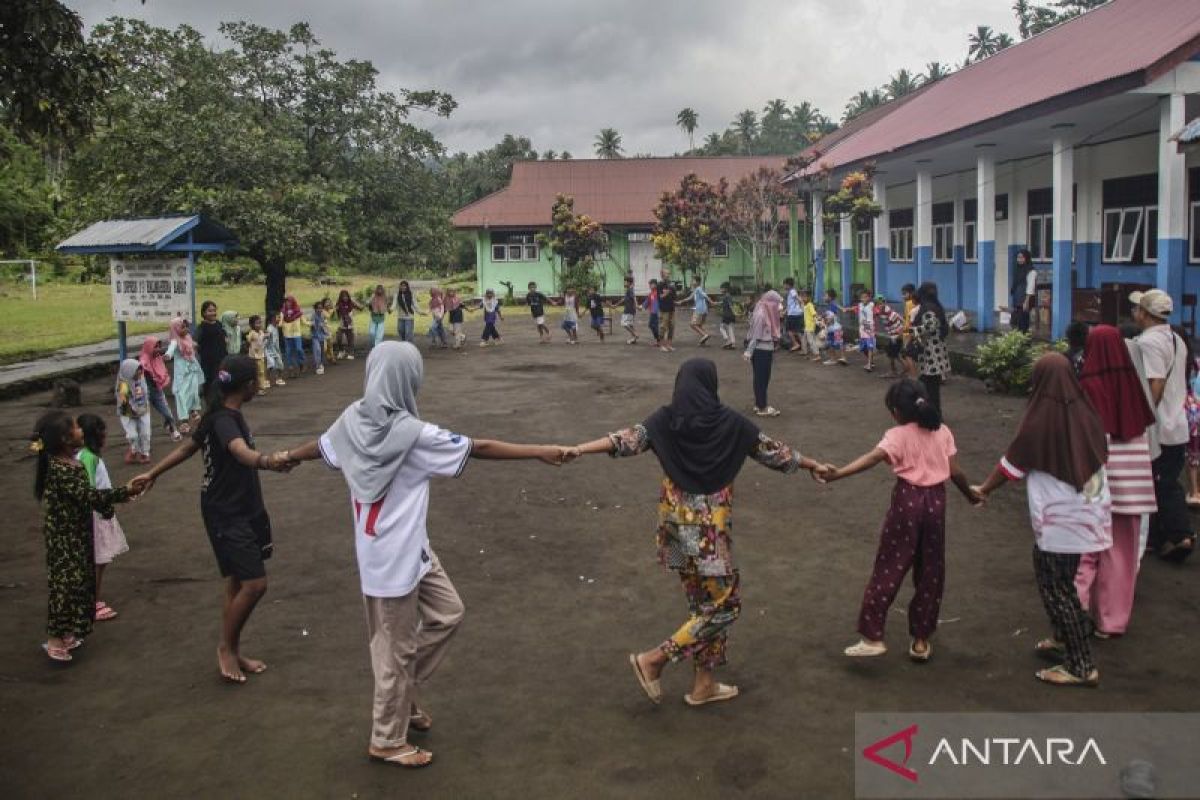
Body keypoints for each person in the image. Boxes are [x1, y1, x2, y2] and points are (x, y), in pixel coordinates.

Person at [269, 342, 574, 768]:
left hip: (410, 549)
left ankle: (403, 693)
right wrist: (540, 450)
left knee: (448, 612)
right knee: (393, 650)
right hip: (390, 563)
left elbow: (321, 446)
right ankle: (386, 739)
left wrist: (285, 457)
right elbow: (480, 447)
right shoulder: (415, 436)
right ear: (409, 380)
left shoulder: (353, 420)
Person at [572, 359, 827, 707]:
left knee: (703, 607)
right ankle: (654, 660)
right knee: (725, 607)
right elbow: (775, 453)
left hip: (674, 536)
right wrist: (813, 465)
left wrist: (578, 449)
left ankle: (704, 685)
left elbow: (625, 440)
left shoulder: (665, 420)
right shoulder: (731, 423)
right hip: (708, 537)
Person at [134, 356, 291, 684]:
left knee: (237, 580)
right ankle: (225, 648)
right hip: (227, 511)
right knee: (255, 584)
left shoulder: (219, 414)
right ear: (248, 386)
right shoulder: (224, 420)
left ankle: (233, 647)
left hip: (242, 505)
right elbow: (238, 451)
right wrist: (266, 461)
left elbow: (186, 449)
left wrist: (153, 473)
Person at [973, 353, 1110, 687]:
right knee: (1063, 578)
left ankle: (1081, 664)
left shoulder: (1041, 418)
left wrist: (984, 489)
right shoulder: (1086, 410)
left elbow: (1012, 464)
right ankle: (1064, 636)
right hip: (1088, 514)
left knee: (1057, 589)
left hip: (1059, 520)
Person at [822, 380, 980, 661]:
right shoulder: (942, 430)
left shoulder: (897, 435)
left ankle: (872, 636)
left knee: (890, 565)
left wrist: (838, 474)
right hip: (936, 503)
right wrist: (971, 495)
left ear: (896, 412)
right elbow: (955, 472)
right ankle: (920, 640)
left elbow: (872, 458)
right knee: (931, 568)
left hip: (907, 501)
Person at [31, 410, 140, 662]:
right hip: (64, 541)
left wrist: (114, 502)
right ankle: (55, 638)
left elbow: (89, 498)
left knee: (79, 584)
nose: (81, 429)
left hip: (78, 536)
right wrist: (123, 492)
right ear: (64, 438)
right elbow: (89, 495)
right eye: (76, 427)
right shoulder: (61, 470)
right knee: (64, 588)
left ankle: (67, 632)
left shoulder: (72, 463)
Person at [1075, 325, 1158, 637]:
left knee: (1084, 551)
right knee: (1122, 554)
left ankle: (1076, 612)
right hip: (1132, 486)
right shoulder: (1132, 386)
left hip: (1095, 484)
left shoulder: (1087, 385)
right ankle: (1112, 622)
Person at [1132, 290, 1195, 562]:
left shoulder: (1149, 342)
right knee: (1161, 480)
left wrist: (1142, 417)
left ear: (1145, 313)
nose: (1134, 313)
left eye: (1137, 308)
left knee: (1162, 483)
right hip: (1177, 421)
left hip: (1160, 427)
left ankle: (1180, 534)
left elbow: (1156, 381)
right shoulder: (1176, 339)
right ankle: (1158, 538)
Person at [77, 413, 130, 623]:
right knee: (98, 560)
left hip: (97, 511)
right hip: (96, 514)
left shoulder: (85, 455)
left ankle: (91, 599)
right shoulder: (88, 457)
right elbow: (89, 489)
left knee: (98, 560)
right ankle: (92, 602)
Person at [912, 282, 950, 414]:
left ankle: (934, 414)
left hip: (931, 352)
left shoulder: (927, 307)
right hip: (937, 350)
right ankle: (930, 412)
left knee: (930, 386)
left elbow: (930, 326)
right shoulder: (936, 306)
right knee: (929, 384)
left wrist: (912, 330)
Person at [744, 289, 782, 417]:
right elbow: (755, 335)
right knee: (762, 379)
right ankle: (762, 407)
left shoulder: (765, 312)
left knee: (761, 378)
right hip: (761, 350)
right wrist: (749, 351)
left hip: (764, 349)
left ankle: (759, 403)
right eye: (776, 303)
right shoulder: (761, 314)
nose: (778, 306)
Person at [139, 336, 181, 442]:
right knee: (143, 417)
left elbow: (161, 370)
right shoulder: (143, 361)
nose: (158, 349)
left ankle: (173, 429)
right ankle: (141, 440)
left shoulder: (157, 358)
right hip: (144, 392)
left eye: (159, 346)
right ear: (149, 347)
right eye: (155, 347)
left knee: (167, 412)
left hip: (156, 390)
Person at [166, 317, 203, 433]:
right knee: (181, 394)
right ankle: (183, 421)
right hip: (182, 372)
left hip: (192, 368)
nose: (186, 329)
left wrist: (195, 345)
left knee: (193, 391)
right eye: (183, 327)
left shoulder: (187, 337)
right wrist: (168, 355)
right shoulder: (175, 341)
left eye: (187, 327)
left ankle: (193, 410)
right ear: (176, 329)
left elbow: (192, 345)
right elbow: (171, 349)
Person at [116, 358, 152, 465]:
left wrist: (140, 407)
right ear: (129, 372)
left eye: (140, 369)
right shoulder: (123, 384)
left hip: (143, 408)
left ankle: (145, 453)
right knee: (133, 435)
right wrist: (133, 408)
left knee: (145, 433)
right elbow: (123, 402)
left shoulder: (141, 379)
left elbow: (145, 394)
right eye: (137, 370)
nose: (140, 372)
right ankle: (133, 449)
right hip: (127, 411)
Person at [197, 301, 228, 395]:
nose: (213, 313)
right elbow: (195, 341)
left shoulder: (218, 323)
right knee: (210, 380)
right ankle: (210, 397)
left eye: (214, 310)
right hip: (208, 360)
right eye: (210, 311)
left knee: (222, 377)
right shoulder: (202, 327)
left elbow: (223, 335)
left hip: (221, 356)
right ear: (203, 313)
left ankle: (222, 394)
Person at [844, 288, 877, 372]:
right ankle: (871, 362)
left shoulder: (872, 305)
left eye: (865, 297)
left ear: (869, 297)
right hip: (862, 328)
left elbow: (878, 311)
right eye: (862, 297)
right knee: (864, 347)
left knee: (869, 346)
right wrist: (846, 309)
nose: (863, 299)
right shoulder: (860, 305)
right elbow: (853, 308)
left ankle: (869, 364)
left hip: (869, 327)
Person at [875, 296, 906, 379]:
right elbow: (876, 313)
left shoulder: (891, 313)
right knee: (894, 354)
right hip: (893, 336)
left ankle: (898, 371)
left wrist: (898, 336)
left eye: (881, 303)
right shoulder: (881, 312)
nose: (880, 305)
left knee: (892, 355)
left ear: (885, 303)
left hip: (896, 337)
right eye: (878, 304)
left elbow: (902, 324)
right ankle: (901, 369)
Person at [280, 295, 307, 380]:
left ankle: (301, 362)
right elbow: (280, 321)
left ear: (293, 302)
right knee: (288, 352)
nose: (288, 303)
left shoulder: (298, 311)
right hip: (287, 334)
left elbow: (304, 321)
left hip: (296, 333)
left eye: (289, 301)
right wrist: (277, 324)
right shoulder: (283, 312)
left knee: (299, 349)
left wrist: (312, 324)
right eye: (286, 302)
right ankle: (291, 369)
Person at [1010, 249, 1036, 333]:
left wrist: (1026, 301)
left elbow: (1030, 287)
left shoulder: (1031, 271)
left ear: (1026, 258)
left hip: (1025, 300)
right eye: (1018, 257)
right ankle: (1019, 338)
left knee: (1023, 322)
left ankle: (1024, 338)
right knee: (1017, 322)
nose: (1019, 259)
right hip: (1018, 299)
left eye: (1022, 257)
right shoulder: (1018, 269)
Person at [821, 289, 847, 367]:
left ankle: (836, 359)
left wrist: (825, 322)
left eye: (825, 296)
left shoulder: (832, 305)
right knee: (834, 343)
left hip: (835, 328)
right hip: (833, 329)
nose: (823, 297)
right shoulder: (830, 305)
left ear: (830, 297)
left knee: (835, 343)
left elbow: (831, 317)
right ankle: (841, 358)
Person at [335, 290, 363, 360]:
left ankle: (351, 353)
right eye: (343, 296)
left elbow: (361, 308)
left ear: (348, 296)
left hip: (350, 323)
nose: (345, 298)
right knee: (338, 337)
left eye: (346, 296)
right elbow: (335, 312)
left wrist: (356, 303)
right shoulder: (339, 304)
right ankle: (341, 351)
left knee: (350, 339)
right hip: (342, 323)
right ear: (341, 297)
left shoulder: (351, 303)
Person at [685, 276, 712, 346]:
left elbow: (705, 295)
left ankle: (705, 335)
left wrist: (711, 301)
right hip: (704, 309)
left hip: (699, 309)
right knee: (699, 325)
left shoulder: (698, 289)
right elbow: (690, 297)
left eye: (693, 281)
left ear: (698, 282)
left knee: (693, 324)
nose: (692, 282)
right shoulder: (697, 289)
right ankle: (704, 340)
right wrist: (681, 301)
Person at [246, 315, 269, 396]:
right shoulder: (252, 333)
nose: (259, 325)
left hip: (261, 355)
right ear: (252, 324)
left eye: (260, 323)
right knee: (254, 372)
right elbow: (248, 340)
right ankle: (254, 388)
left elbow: (262, 340)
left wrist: (266, 336)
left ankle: (261, 388)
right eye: (257, 323)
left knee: (261, 372)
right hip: (253, 356)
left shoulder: (261, 332)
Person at [900, 283, 919, 377]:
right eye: (902, 294)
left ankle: (912, 374)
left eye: (905, 294)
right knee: (910, 353)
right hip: (910, 330)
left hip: (908, 331)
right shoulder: (913, 303)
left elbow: (909, 319)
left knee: (907, 353)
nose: (903, 296)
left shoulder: (909, 303)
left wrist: (904, 330)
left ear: (911, 293)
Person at [783, 277, 804, 352]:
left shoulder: (792, 291)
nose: (784, 286)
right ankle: (803, 346)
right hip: (796, 313)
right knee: (797, 331)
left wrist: (803, 306)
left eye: (784, 284)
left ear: (788, 285)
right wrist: (785, 311)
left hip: (793, 314)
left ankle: (796, 344)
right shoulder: (791, 292)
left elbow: (799, 299)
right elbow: (790, 304)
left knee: (789, 330)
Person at [264, 312, 285, 387]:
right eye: (277, 317)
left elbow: (280, 324)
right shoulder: (269, 328)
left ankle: (279, 379)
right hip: (269, 350)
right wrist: (264, 349)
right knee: (271, 365)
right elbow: (266, 340)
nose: (279, 319)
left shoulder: (275, 327)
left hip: (276, 350)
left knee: (280, 364)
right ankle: (266, 380)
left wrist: (281, 317)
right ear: (272, 319)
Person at [618, 275, 639, 345]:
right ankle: (634, 339)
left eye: (625, 282)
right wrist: (616, 305)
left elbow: (634, 297)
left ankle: (635, 334)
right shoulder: (629, 290)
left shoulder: (630, 290)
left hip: (629, 310)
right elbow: (624, 299)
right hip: (630, 310)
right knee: (630, 324)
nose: (624, 283)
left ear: (629, 282)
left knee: (624, 323)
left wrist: (636, 305)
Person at [310, 301, 330, 375]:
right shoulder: (313, 316)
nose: (320, 310)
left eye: (321, 308)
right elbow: (311, 326)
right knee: (317, 350)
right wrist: (313, 325)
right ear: (315, 309)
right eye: (318, 308)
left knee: (322, 350)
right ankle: (318, 365)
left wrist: (324, 325)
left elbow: (326, 324)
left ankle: (321, 363)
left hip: (322, 335)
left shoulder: (323, 315)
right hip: (315, 336)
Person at [659, 277, 678, 352]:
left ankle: (669, 345)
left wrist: (672, 291)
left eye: (669, 274)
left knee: (672, 327)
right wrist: (665, 293)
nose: (668, 276)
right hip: (664, 310)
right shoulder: (660, 285)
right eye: (666, 274)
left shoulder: (672, 286)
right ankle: (662, 346)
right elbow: (659, 297)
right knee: (663, 327)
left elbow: (675, 297)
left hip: (671, 309)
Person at [801, 289, 821, 362]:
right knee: (804, 339)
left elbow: (814, 314)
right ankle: (807, 353)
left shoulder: (810, 305)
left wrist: (818, 320)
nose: (803, 298)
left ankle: (817, 355)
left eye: (805, 297)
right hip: (807, 326)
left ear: (809, 297)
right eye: (802, 297)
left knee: (811, 341)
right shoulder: (805, 305)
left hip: (810, 326)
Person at [644, 278, 663, 350]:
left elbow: (658, 303)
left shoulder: (657, 293)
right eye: (649, 284)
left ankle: (659, 340)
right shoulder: (651, 293)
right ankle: (658, 340)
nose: (649, 286)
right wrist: (642, 306)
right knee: (652, 325)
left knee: (653, 326)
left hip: (656, 312)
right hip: (653, 312)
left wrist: (658, 312)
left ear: (655, 285)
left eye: (651, 284)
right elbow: (647, 301)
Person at [718, 282, 736, 350]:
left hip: (727, 315)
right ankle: (733, 343)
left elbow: (730, 305)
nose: (720, 290)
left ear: (726, 289)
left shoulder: (727, 296)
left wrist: (734, 312)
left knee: (721, 327)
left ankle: (728, 340)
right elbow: (724, 303)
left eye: (721, 288)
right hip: (731, 315)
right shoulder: (728, 296)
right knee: (730, 328)